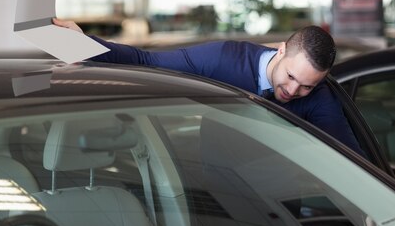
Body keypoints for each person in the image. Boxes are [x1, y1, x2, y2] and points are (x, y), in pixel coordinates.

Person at [52, 19, 364, 156]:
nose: (294, 92)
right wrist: (81, 44)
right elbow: (146, 61)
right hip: (216, 190)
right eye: (291, 78)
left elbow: (352, 159)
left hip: (281, 204)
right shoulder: (223, 59)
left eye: (307, 86)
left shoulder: (320, 98)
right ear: (281, 51)